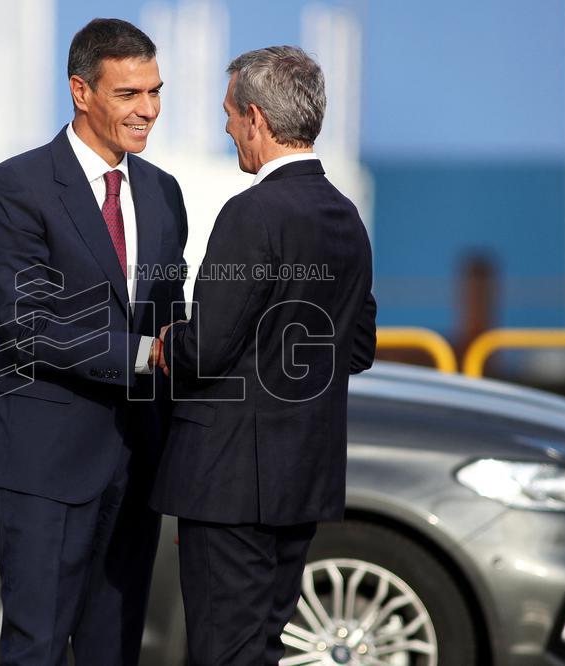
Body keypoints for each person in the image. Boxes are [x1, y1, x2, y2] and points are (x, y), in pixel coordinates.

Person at [0, 18, 188, 666]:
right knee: (35, 649)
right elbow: (27, 326)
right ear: (81, 91)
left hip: (138, 463)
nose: (147, 110)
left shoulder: (162, 191)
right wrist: (147, 354)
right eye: (129, 94)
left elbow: (170, 318)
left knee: (114, 652)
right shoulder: (15, 188)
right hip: (46, 465)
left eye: (154, 91)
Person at [152, 46, 377, 665]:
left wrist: (170, 341)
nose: (227, 129)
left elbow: (203, 350)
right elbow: (357, 347)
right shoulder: (345, 216)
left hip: (227, 483)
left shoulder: (250, 213)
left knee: (224, 650)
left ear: (256, 117)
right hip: (302, 476)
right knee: (261, 648)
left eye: (229, 115)